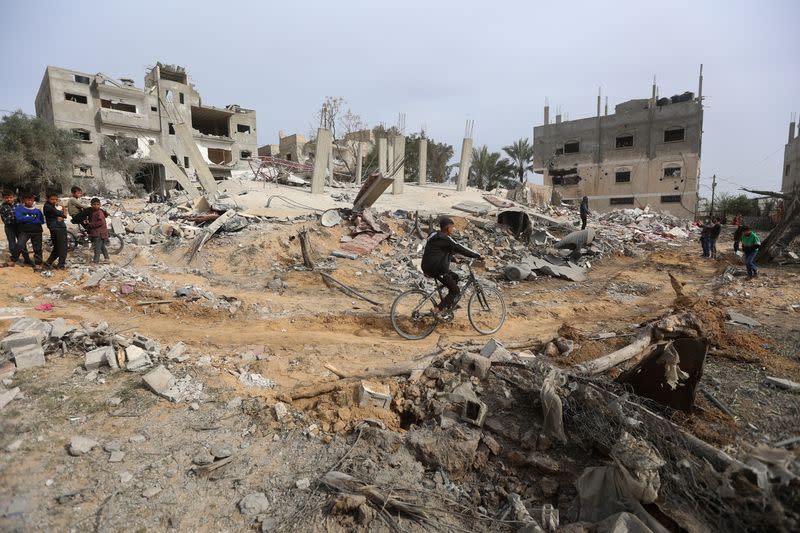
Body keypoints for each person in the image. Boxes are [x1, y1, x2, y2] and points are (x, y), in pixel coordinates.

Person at [421, 217, 483, 314]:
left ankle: (448, 303)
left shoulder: (434, 236)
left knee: (455, 277)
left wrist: (454, 259)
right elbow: (460, 248)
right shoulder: (446, 239)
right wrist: (477, 256)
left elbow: (438, 252)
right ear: (448, 227)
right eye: (452, 228)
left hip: (427, 266)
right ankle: (438, 309)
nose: (453, 230)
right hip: (437, 269)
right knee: (455, 291)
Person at [10, 193, 45, 270]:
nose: (30, 201)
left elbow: (41, 221)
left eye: (31, 199)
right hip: (25, 231)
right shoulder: (19, 209)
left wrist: (27, 218)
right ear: (24, 200)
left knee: (37, 248)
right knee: (19, 244)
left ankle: (38, 263)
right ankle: (13, 260)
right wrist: (33, 217)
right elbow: (19, 218)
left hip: (37, 231)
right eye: (28, 199)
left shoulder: (37, 211)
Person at [2, 191, 31, 266]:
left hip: (19, 227)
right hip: (9, 227)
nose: (9, 199)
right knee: (12, 244)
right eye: (6, 198)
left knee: (22, 243)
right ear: (3, 198)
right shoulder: (3, 206)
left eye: (10, 197)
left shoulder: (18, 205)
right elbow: (14, 215)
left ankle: (27, 259)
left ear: (14, 197)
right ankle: (15, 259)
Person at [43, 192, 68, 269]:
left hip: (55, 227)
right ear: (47, 199)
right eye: (52, 199)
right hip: (58, 228)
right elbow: (64, 215)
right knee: (63, 247)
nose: (54, 201)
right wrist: (64, 208)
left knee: (57, 247)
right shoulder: (48, 207)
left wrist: (61, 215)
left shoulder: (51, 206)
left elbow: (61, 216)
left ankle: (48, 262)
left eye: (56, 199)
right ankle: (61, 265)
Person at [87, 198, 110, 264]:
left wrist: (91, 224)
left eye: (97, 204)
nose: (96, 206)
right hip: (100, 232)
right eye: (94, 204)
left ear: (100, 205)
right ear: (91, 205)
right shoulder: (96, 212)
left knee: (97, 248)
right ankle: (107, 258)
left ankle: (95, 261)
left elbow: (100, 222)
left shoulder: (99, 212)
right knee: (102, 246)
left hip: (98, 233)